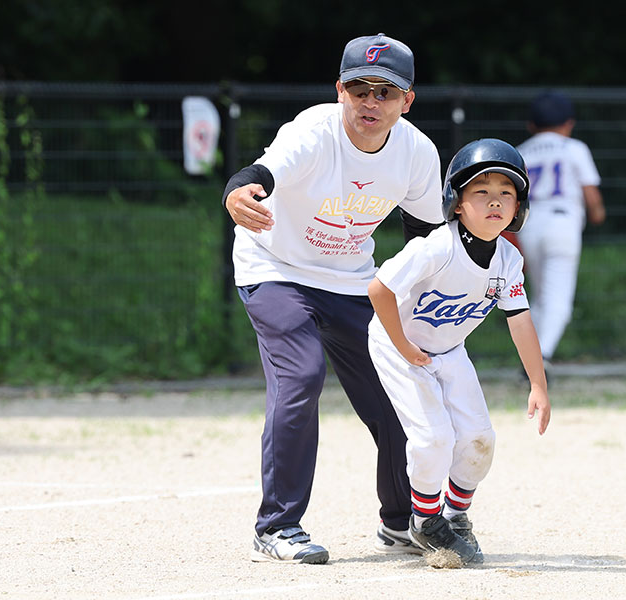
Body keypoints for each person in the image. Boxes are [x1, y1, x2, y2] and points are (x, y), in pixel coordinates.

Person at [222, 33, 445, 564]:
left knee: (398, 387)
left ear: (407, 100)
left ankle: (401, 521)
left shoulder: (416, 151)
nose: (371, 102)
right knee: (302, 374)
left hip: (350, 279)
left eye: (385, 92)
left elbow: (426, 237)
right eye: (359, 89)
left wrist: (427, 308)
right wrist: (237, 191)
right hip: (275, 268)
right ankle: (277, 526)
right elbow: (260, 174)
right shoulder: (314, 132)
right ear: (339, 90)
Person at [367, 139, 551, 565]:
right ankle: (425, 521)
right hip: (399, 346)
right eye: (481, 191)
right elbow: (379, 290)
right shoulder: (437, 246)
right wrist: (404, 347)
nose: (495, 201)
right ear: (456, 202)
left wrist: (538, 385)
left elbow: (520, 320)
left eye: (506, 192)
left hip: (449, 350)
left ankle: (454, 515)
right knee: (434, 438)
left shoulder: (508, 259)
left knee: (480, 439)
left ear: (519, 207)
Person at [516, 91, 605, 376]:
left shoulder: (521, 152)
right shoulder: (574, 148)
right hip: (563, 223)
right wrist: (597, 213)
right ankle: (540, 358)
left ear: (531, 125)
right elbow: (591, 195)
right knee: (559, 301)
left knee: (540, 297)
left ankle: (532, 357)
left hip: (529, 225)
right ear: (569, 123)